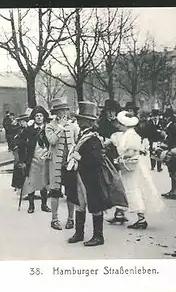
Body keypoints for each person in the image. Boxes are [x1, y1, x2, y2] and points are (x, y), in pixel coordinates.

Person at [64, 102, 128, 246]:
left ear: (88, 122)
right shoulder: (83, 135)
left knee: (95, 205)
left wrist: (79, 158)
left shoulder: (92, 138)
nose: (79, 122)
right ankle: (79, 233)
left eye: (81, 119)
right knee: (80, 204)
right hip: (82, 175)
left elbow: (97, 160)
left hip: (91, 177)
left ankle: (98, 236)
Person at [105, 111, 164, 229]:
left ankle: (141, 219)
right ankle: (120, 213)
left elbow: (131, 152)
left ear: (124, 125)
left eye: (119, 124)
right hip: (128, 166)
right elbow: (114, 140)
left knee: (134, 189)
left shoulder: (132, 135)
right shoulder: (123, 134)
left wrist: (120, 158)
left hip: (134, 166)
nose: (117, 125)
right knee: (123, 188)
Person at [45, 98, 77, 230]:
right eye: (61, 111)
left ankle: (71, 219)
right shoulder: (50, 126)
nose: (64, 113)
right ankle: (54, 219)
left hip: (68, 163)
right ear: (56, 113)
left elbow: (75, 143)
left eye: (65, 110)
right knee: (55, 191)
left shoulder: (73, 126)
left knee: (71, 191)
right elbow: (52, 140)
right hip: (55, 163)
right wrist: (60, 127)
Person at [17, 106, 51, 214]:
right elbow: (20, 143)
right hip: (32, 159)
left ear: (44, 117)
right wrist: (22, 159)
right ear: (34, 118)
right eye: (37, 116)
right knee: (31, 182)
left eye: (41, 116)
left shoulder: (48, 129)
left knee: (44, 182)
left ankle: (44, 204)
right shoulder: (29, 130)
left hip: (45, 158)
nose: (39, 118)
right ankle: (31, 206)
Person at [161, 108, 176, 200]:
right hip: (172, 149)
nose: (165, 118)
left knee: (173, 171)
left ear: (169, 117)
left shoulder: (173, 125)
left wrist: (165, 136)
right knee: (172, 171)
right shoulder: (171, 124)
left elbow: (175, 138)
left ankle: (174, 192)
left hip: (172, 149)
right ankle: (172, 190)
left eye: (166, 116)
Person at [11, 113, 30, 191]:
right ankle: (18, 186)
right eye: (21, 122)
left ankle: (26, 188)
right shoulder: (18, 130)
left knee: (26, 169)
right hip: (20, 151)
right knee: (19, 168)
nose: (22, 123)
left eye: (24, 121)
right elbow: (15, 139)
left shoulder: (29, 130)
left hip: (27, 151)